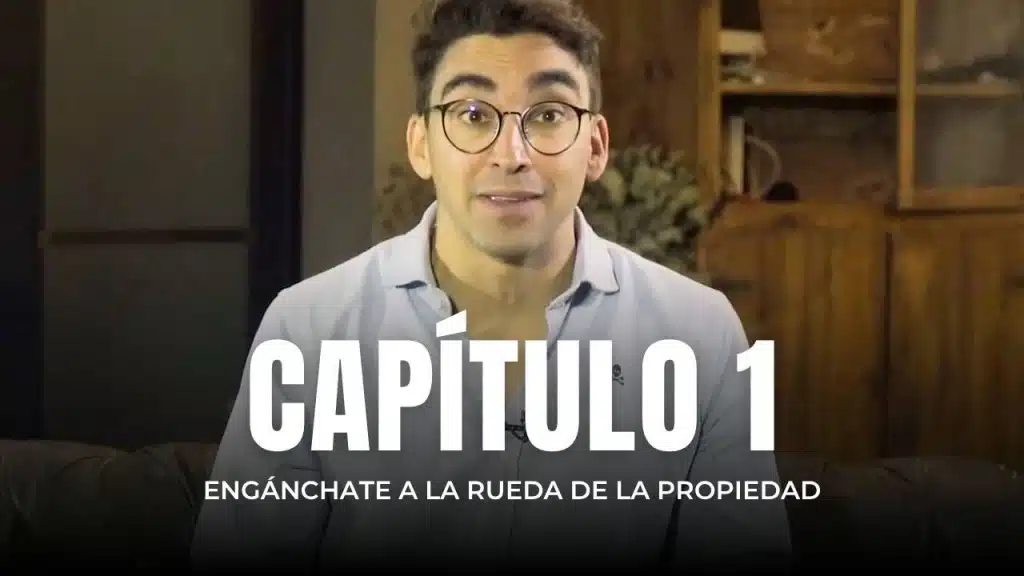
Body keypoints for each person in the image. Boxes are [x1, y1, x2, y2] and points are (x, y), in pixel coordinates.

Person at [191, 0, 792, 570]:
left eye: (548, 115)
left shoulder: (699, 335)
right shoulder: (308, 328)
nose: (511, 154)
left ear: (595, 147)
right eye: (473, 115)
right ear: (421, 145)